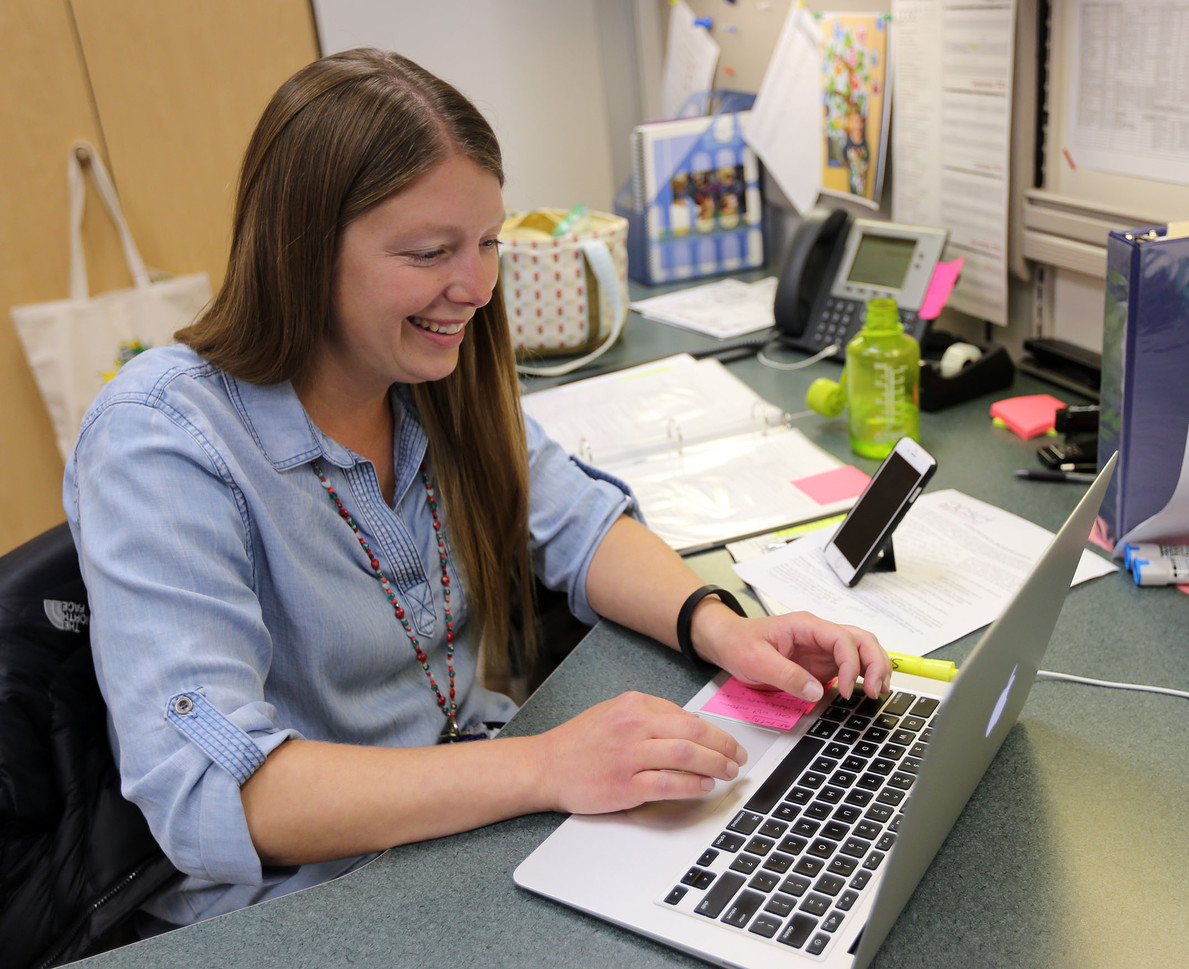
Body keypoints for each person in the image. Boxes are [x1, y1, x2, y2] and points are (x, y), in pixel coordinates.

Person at [64, 48, 890, 931]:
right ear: (302, 253)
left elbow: (580, 523)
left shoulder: (428, 374)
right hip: (310, 905)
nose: (478, 285)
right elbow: (221, 792)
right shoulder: (161, 438)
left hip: (471, 828)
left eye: (488, 241)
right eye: (430, 253)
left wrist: (725, 627)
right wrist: (544, 765)